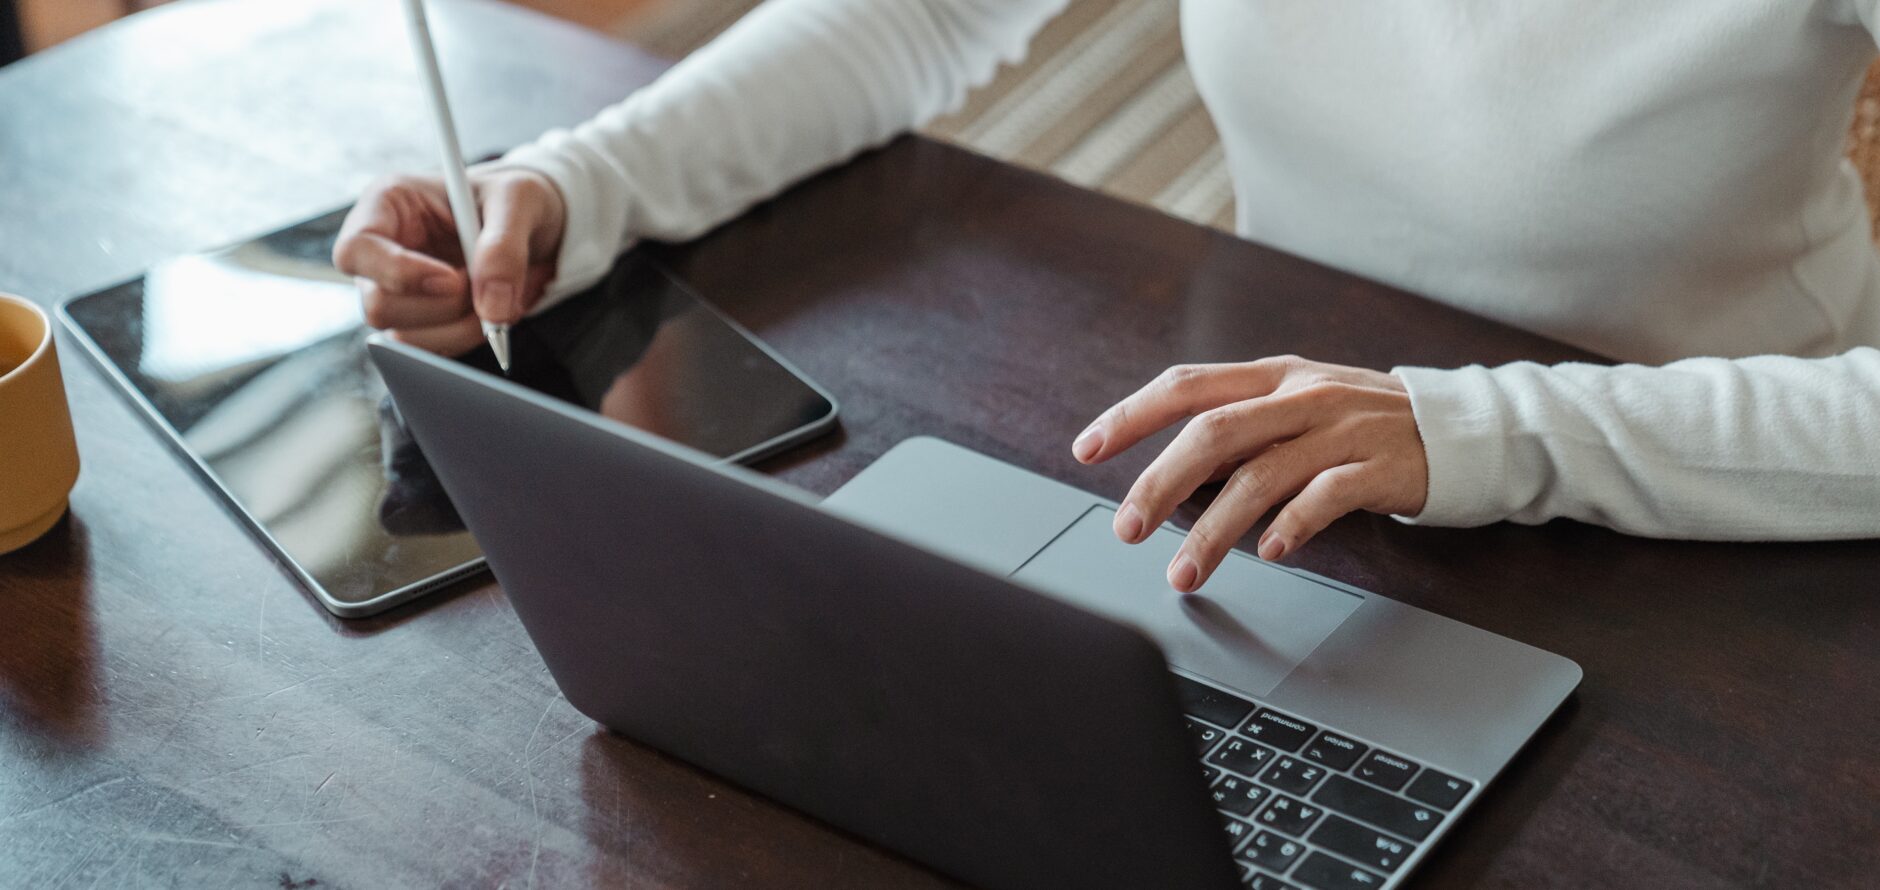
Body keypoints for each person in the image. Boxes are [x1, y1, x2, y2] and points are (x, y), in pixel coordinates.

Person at [336, 0, 1880, 594]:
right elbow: (924, 11)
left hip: (1730, 517)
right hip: (1284, 481)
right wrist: (575, 187)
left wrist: (1470, 427)